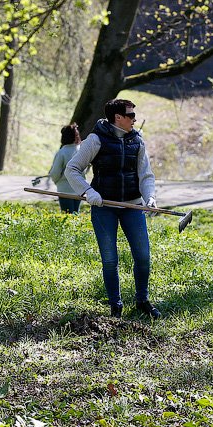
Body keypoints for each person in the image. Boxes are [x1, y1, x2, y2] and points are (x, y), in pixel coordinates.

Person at [65, 99, 161, 319]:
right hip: (104, 207)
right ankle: (115, 306)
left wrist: (150, 198)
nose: (135, 119)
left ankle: (142, 300)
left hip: (132, 206)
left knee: (143, 256)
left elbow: (145, 175)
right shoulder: (95, 140)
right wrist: (88, 192)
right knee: (110, 260)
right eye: (131, 115)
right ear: (118, 117)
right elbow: (72, 169)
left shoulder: (137, 140)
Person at [48, 123, 82, 213]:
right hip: (79, 188)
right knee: (75, 216)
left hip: (64, 190)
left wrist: (57, 181)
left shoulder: (62, 152)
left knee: (67, 216)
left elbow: (55, 172)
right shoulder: (81, 151)